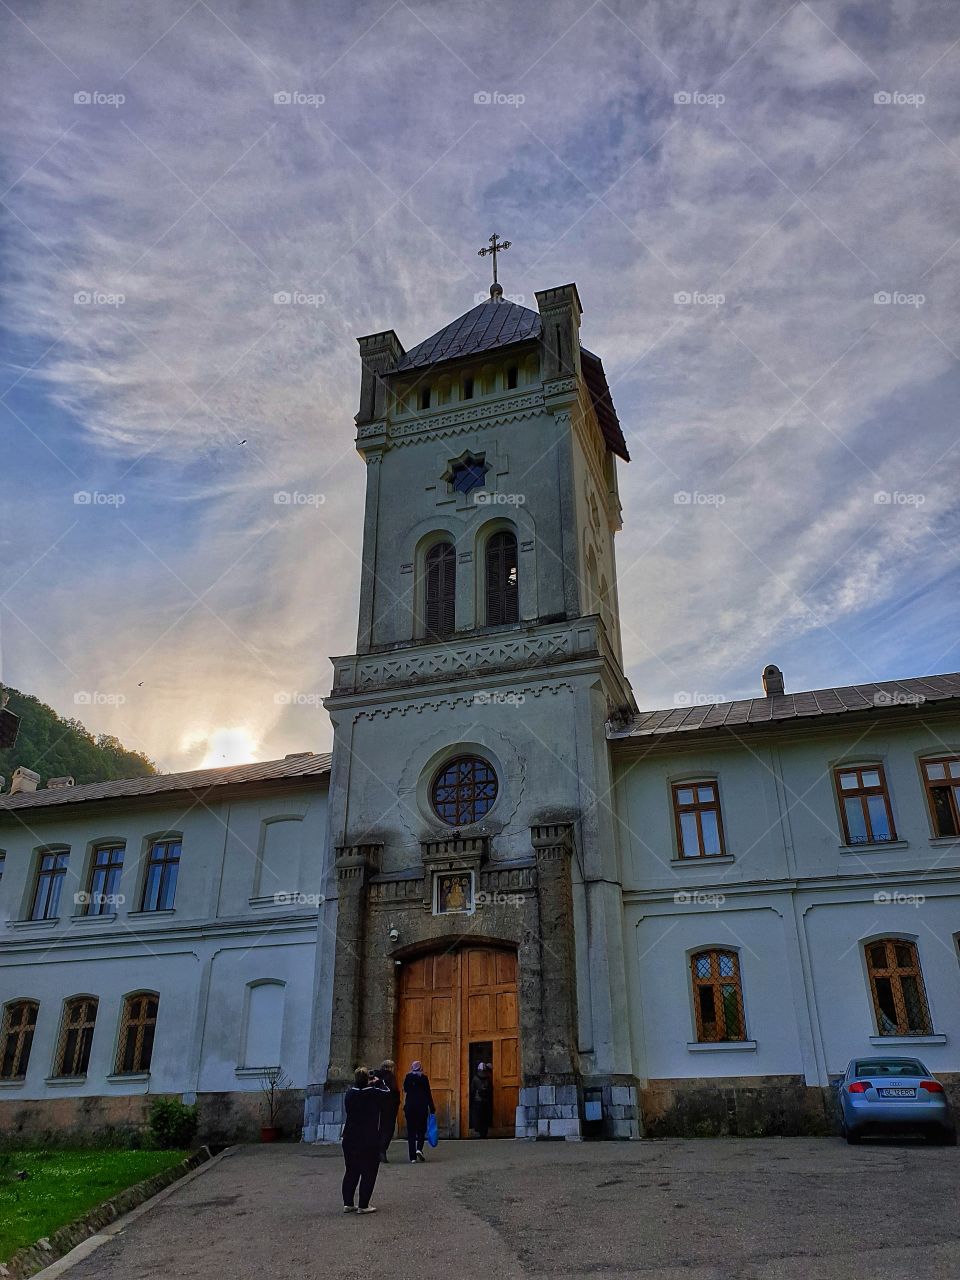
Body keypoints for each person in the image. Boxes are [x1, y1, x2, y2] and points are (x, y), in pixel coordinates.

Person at [341, 1067, 389, 1213]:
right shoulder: (373, 1093)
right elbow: (388, 1093)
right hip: (369, 1137)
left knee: (351, 1170)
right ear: (368, 1079)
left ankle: (348, 1203)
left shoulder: (349, 1094)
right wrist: (379, 1082)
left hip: (350, 1136)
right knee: (369, 1171)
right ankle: (363, 1205)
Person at [402, 1059, 436, 1162]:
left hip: (410, 1107)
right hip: (421, 1107)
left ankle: (412, 1158)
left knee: (411, 1132)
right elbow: (428, 1093)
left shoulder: (408, 1077)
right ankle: (419, 1149)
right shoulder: (424, 1078)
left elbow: (406, 1089)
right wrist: (432, 1107)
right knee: (422, 1130)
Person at [377, 1058, 401, 1162]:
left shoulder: (376, 1077)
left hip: (377, 1108)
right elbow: (394, 1091)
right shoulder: (390, 1078)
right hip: (389, 1108)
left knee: (379, 1129)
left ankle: (377, 1151)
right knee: (387, 1130)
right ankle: (381, 1150)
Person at [469, 1061, 494, 1138]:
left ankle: (479, 1132)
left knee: (479, 1117)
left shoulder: (475, 1079)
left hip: (478, 1101)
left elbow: (472, 1091)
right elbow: (491, 1089)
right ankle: (483, 1133)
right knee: (484, 1118)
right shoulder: (488, 1079)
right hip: (485, 1101)